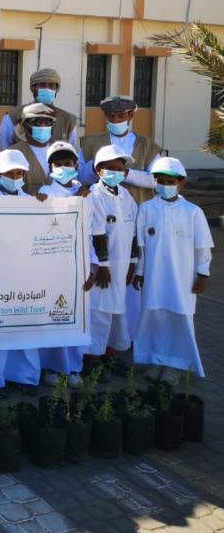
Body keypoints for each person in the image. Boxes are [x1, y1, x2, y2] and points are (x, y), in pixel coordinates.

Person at [132, 157, 213, 386]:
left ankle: (176, 365)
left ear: (181, 184)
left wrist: (203, 274)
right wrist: (140, 272)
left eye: (170, 182)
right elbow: (141, 246)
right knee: (155, 317)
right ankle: (156, 359)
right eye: (160, 181)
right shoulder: (146, 209)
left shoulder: (193, 212)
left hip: (182, 279)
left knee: (180, 319)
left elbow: (202, 246)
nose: (165, 185)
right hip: (154, 277)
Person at [0, 149, 43, 397]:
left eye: (18, 173)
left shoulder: (33, 201)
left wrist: (45, 205)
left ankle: (25, 377)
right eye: (9, 173)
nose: (14, 178)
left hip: (24, 274)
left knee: (26, 326)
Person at [80, 144, 139, 382]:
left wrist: (133, 261)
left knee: (117, 312)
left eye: (120, 169)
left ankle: (109, 353)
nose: (116, 172)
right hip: (102, 268)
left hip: (122, 264)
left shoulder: (126, 196)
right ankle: (92, 359)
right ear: (98, 170)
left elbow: (133, 231)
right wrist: (102, 266)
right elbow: (96, 234)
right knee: (99, 312)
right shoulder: (93, 196)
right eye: (110, 168)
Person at [37, 141, 86, 388]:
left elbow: (93, 231)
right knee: (52, 315)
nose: (64, 167)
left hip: (79, 265)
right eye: (58, 163)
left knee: (76, 317)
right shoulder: (45, 192)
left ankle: (74, 368)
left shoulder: (86, 191)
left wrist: (95, 263)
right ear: (50, 167)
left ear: (76, 164)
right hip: (52, 265)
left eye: (68, 163)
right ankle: (50, 367)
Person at [79, 95, 162, 204]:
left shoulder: (146, 145)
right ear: (106, 115)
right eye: (111, 116)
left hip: (137, 205)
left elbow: (157, 179)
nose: (116, 120)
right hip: (100, 206)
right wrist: (96, 169)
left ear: (130, 115)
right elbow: (79, 177)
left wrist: (124, 173)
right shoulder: (91, 143)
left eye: (120, 116)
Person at [0, 68, 77, 148]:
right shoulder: (13, 116)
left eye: (52, 86)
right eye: (42, 85)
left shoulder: (68, 120)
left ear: (56, 90)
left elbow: (72, 151)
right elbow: (3, 148)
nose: (47, 89)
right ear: (33, 89)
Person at [11, 102, 57, 195]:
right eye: (37, 122)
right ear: (25, 125)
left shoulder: (60, 151)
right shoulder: (13, 153)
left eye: (48, 122)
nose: (43, 126)